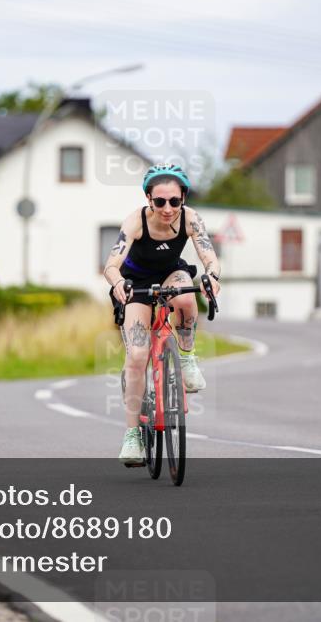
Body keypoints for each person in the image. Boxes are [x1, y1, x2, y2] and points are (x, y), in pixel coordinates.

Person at [102, 164, 222, 466]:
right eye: (159, 202)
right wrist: (118, 284)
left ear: (183, 198)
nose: (167, 209)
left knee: (185, 294)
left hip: (171, 273)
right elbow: (111, 265)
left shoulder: (191, 219)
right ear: (148, 199)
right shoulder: (135, 222)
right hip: (136, 283)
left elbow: (209, 256)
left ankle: (187, 357)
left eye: (174, 201)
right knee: (138, 355)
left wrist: (212, 276)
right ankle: (133, 436)